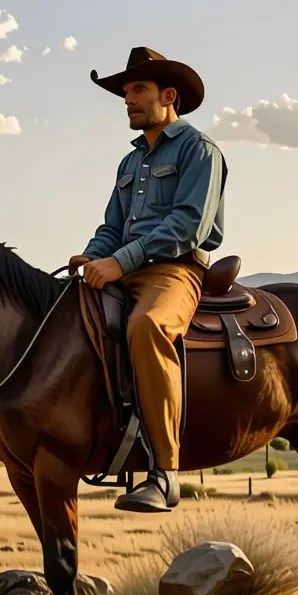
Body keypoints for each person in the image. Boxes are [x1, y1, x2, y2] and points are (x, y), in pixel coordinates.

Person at [70, 47, 228, 513]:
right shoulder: (129, 163)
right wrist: (94, 256)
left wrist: (121, 262)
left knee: (147, 327)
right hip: (124, 265)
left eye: (137, 89)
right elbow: (112, 226)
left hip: (175, 271)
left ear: (169, 95)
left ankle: (165, 473)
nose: (127, 99)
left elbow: (188, 225)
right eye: (124, 92)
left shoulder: (200, 150)